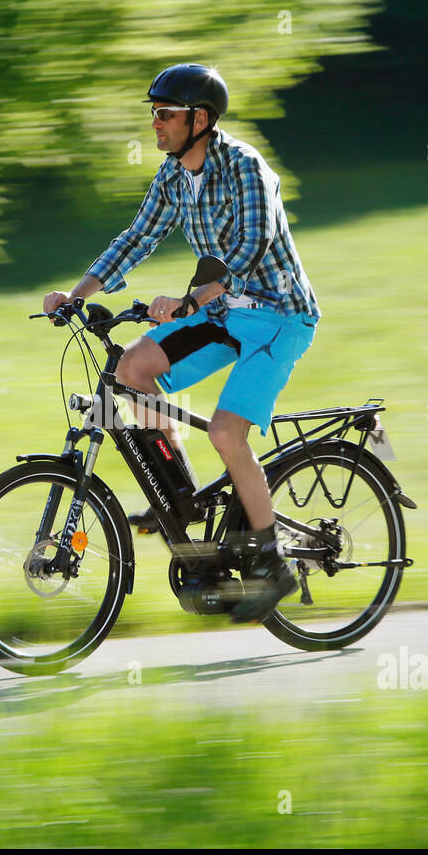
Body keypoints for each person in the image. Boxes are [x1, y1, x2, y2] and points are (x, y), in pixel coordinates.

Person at [41, 63, 320, 623]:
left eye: (165, 114)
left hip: (278, 317)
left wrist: (191, 300)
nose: (156, 124)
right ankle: (182, 499)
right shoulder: (173, 177)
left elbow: (250, 247)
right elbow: (138, 236)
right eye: (153, 113)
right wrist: (76, 293)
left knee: (224, 431)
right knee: (133, 368)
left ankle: (271, 565)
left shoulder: (245, 168)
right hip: (222, 314)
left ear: (200, 118)